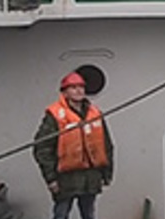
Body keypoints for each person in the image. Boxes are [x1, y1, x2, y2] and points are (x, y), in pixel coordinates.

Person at [33, 72, 114, 219]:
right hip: (65, 179)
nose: (79, 91)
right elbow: (42, 148)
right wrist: (51, 179)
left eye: (81, 87)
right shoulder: (55, 116)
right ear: (65, 92)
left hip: (91, 178)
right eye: (73, 87)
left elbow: (106, 145)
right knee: (61, 214)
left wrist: (106, 174)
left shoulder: (95, 113)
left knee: (89, 214)